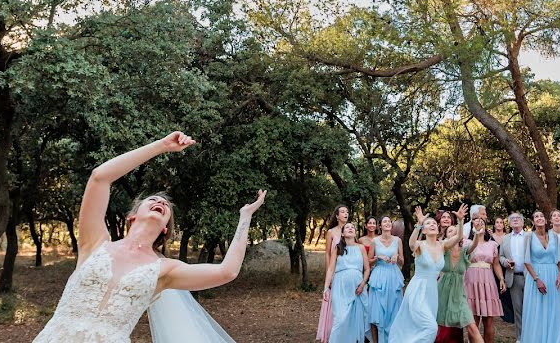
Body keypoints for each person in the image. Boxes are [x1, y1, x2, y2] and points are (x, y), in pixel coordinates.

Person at [33, 132, 266, 343]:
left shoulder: (164, 270)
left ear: (165, 228)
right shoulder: (94, 243)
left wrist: (245, 217)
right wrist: (162, 145)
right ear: (132, 216)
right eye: (153, 200)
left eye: (166, 206)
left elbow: (227, 271)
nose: (161, 202)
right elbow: (99, 177)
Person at [389, 204, 468, 343]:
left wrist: (460, 221)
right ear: (424, 230)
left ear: (437, 229)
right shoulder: (420, 245)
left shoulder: (442, 245)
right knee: (431, 327)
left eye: (433, 223)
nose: (432, 224)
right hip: (418, 290)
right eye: (428, 223)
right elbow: (411, 243)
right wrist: (419, 224)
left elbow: (459, 236)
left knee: (424, 328)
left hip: (432, 293)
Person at [520, 211, 560, 343]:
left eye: (541, 216)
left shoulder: (554, 236)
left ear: (545, 220)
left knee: (556, 310)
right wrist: (537, 279)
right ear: (532, 222)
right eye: (536, 216)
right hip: (536, 277)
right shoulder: (529, 236)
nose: (539, 218)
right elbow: (526, 260)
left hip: (554, 276)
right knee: (537, 312)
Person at [436, 222, 484, 343]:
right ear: (446, 236)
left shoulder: (465, 251)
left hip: (459, 294)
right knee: (437, 325)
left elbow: (474, 245)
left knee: (472, 326)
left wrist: (477, 233)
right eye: (450, 231)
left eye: (456, 231)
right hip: (442, 292)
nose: (455, 233)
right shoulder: (443, 249)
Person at [324, 223, 371, 343]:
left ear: (355, 232)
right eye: (347, 227)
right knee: (340, 319)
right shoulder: (337, 248)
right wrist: (325, 288)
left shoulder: (361, 248)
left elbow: (367, 269)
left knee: (356, 319)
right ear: (343, 233)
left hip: (357, 289)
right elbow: (331, 269)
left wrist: (362, 284)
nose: (350, 228)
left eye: (353, 227)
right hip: (340, 287)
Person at [464, 214, 505, 343]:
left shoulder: (493, 244)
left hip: (488, 280)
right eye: (476, 221)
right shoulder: (466, 242)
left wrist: (502, 279)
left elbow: (496, 264)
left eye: (482, 221)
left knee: (489, 320)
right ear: (472, 226)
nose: (479, 223)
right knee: (473, 319)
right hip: (471, 279)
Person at [368, 216, 404, 343]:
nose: (387, 223)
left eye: (389, 221)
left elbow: (402, 262)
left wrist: (397, 257)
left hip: (394, 277)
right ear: (380, 225)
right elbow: (368, 262)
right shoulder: (374, 241)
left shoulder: (398, 240)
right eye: (385, 221)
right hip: (379, 278)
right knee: (377, 311)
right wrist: (378, 258)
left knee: (394, 310)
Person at [318, 205, 349, 342]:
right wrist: (328, 274)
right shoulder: (331, 232)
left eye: (347, 212)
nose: (345, 214)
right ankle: (331, 334)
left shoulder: (350, 230)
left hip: (347, 273)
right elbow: (327, 254)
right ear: (337, 216)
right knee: (333, 303)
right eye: (342, 212)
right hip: (335, 271)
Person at [499, 212, 527, 342]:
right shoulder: (505, 239)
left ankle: (533, 336)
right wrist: (505, 262)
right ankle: (520, 338)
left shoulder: (529, 237)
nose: (515, 220)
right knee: (518, 310)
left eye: (518, 219)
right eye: (512, 219)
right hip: (513, 278)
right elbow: (500, 257)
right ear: (509, 224)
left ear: (522, 222)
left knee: (531, 308)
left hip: (530, 277)